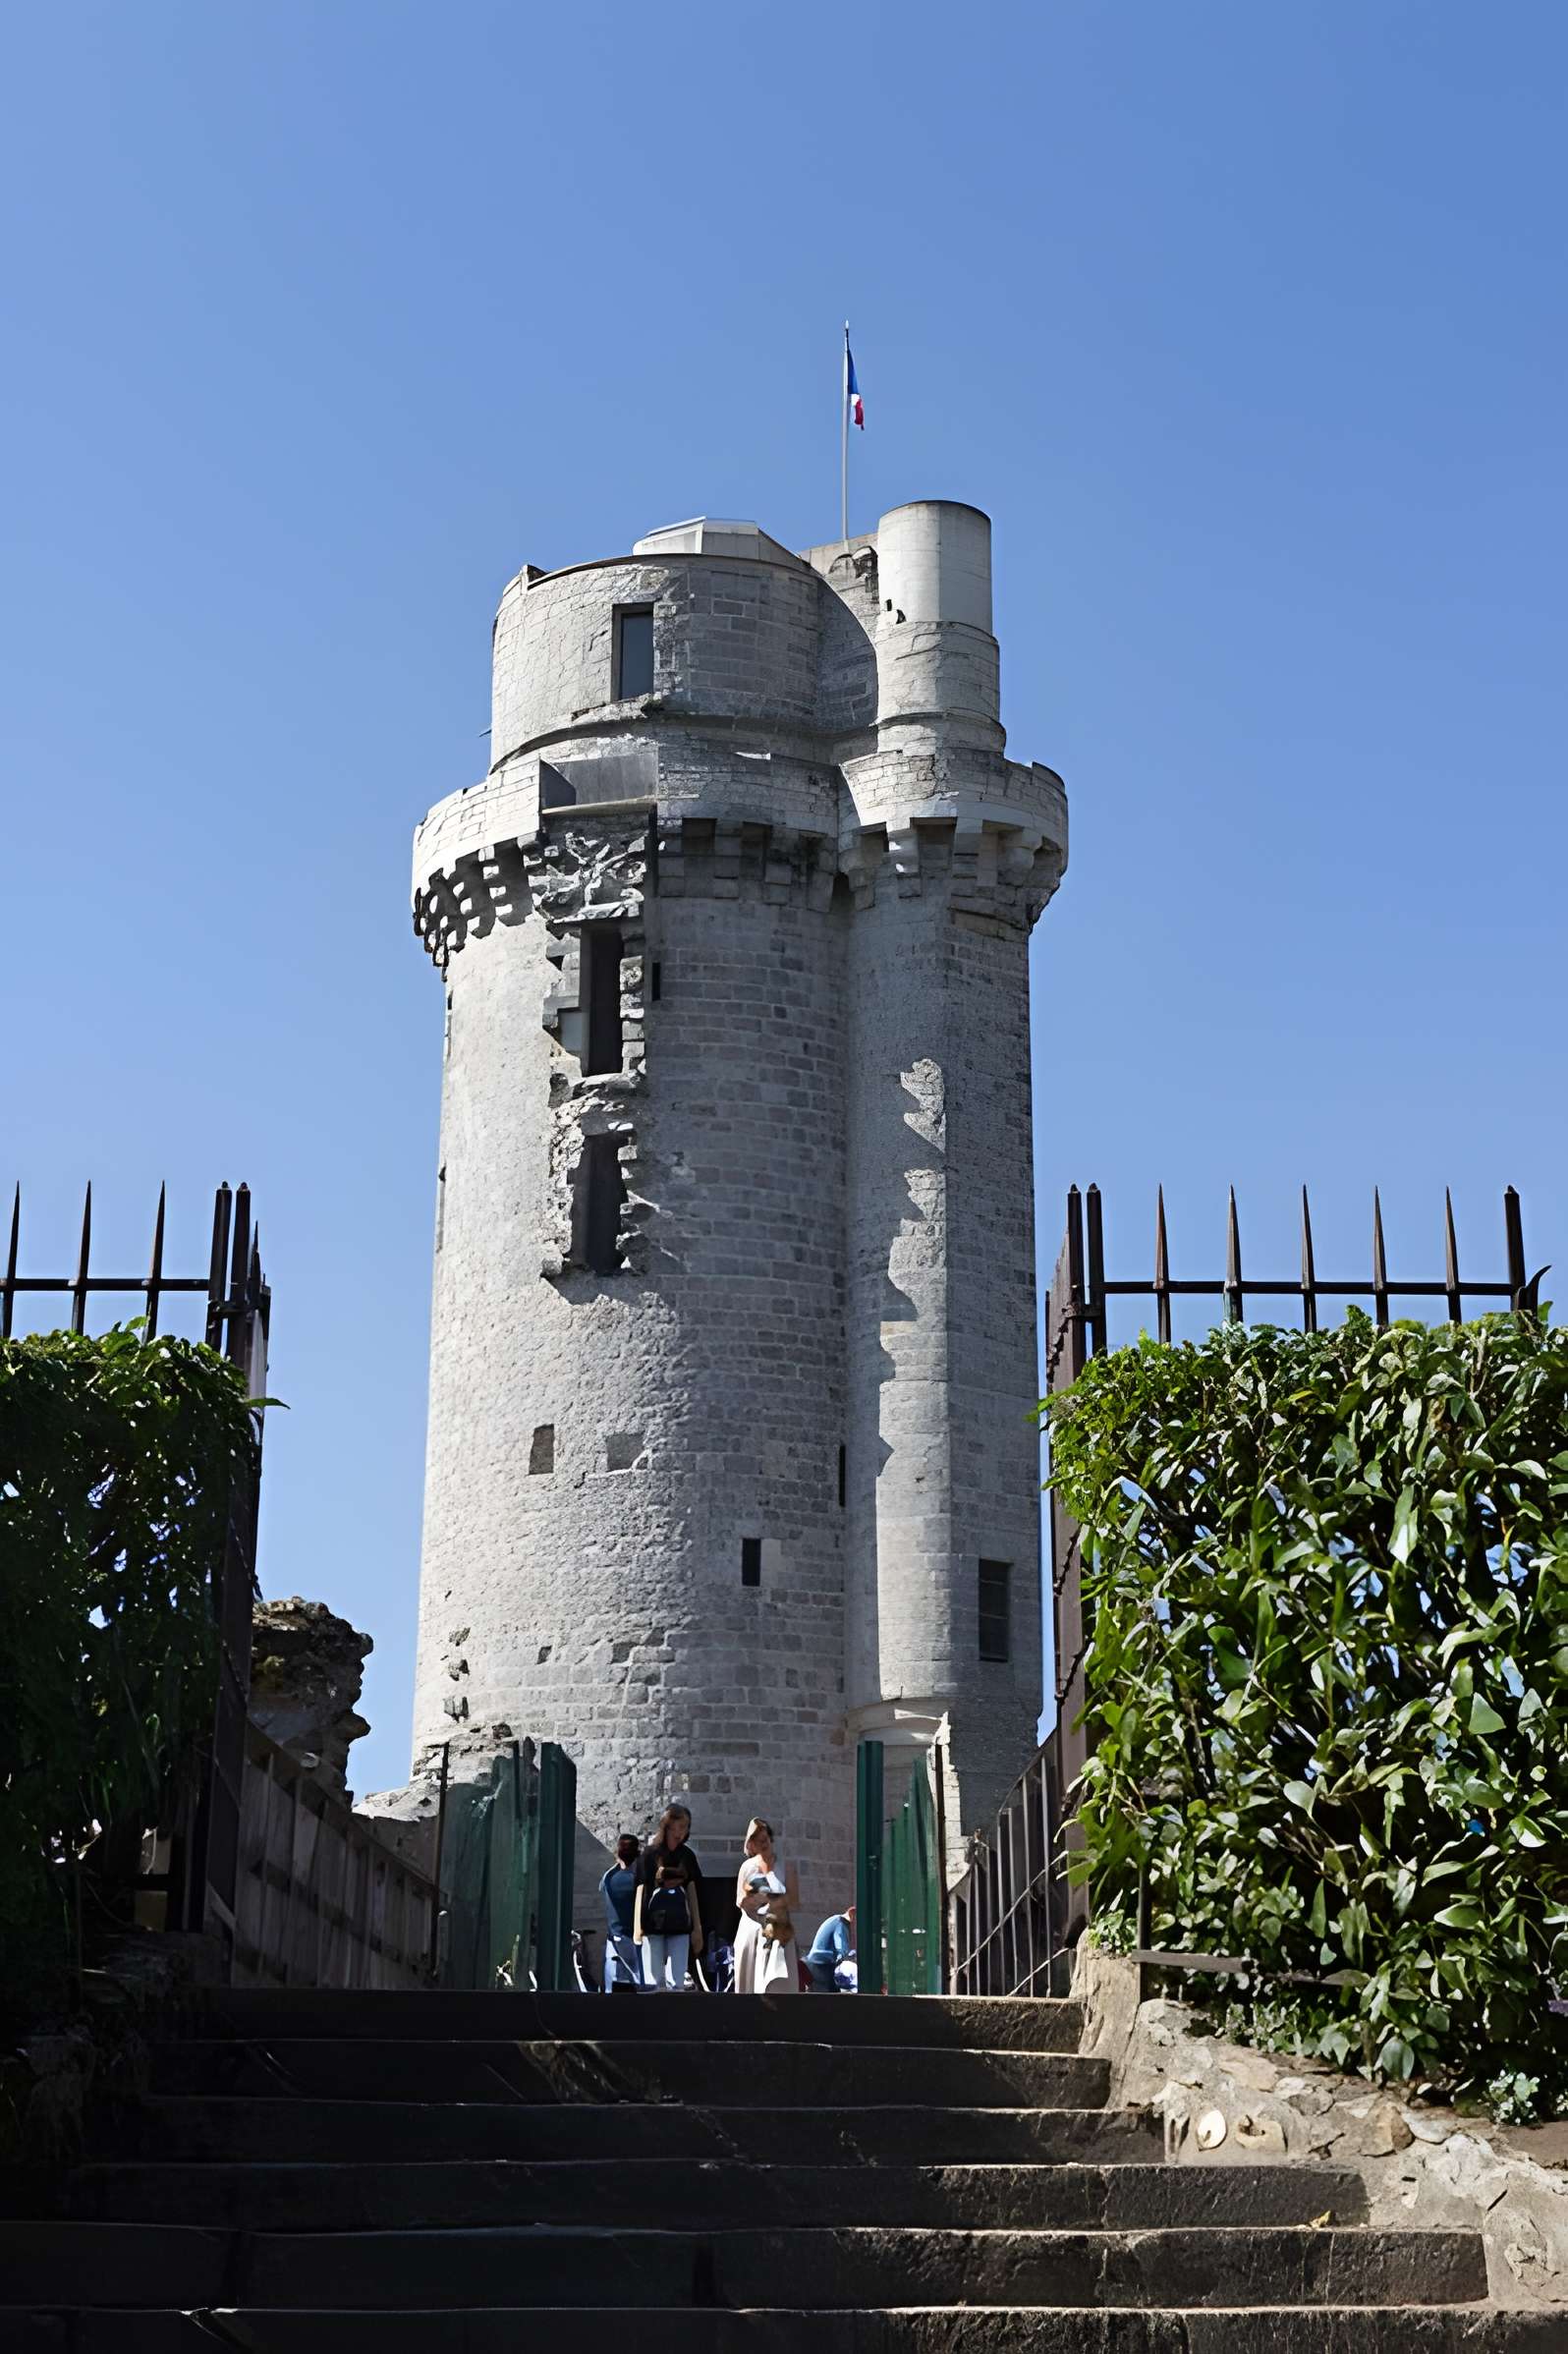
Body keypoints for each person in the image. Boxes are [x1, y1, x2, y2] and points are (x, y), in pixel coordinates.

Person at [633, 1803, 706, 1990]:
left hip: (680, 1923)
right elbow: (640, 1888)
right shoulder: (649, 1854)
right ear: (667, 1825)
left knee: (677, 1980)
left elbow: (692, 1890)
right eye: (678, 1826)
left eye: (685, 1827)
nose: (681, 1831)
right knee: (653, 1979)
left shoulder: (687, 1856)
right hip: (653, 1924)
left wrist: (697, 1928)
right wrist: (637, 1926)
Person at [732, 1817, 801, 1995]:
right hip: (752, 1929)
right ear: (751, 1845)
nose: (762, 1844)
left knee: (779, 1986)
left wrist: (774, 1900)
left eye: (764, 1839)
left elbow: (794, 1900)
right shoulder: (747, 1867)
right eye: (757, 1841)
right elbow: (740, 1900)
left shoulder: (786, 1866)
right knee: (750, 1986)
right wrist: (754, 1898)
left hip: (778, 1928)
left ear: (770, 1839)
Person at [598, 1833, 642, 1991]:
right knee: (638, 1984)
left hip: (616, 1937)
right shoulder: (637, 1879)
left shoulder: (609, 1878)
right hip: (637, 1939)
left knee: (614, 1986)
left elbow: (602, 1888)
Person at [803, 1904, 856, 1992]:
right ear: (851, 1914)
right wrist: (847, 1956)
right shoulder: (841, 1923)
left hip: (817, 1962)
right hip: (822, 1964)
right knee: (829, 1994)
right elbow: (841, 1947)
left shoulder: (835, 1919)